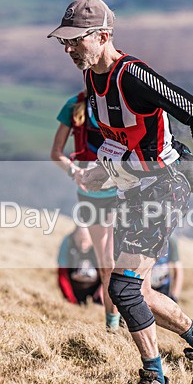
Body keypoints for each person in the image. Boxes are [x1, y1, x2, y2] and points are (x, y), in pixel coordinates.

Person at [48, 0, 193, 384]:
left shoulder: (132, 76)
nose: (67, 49)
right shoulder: (92, 75)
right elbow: (127, 142)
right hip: (135, 189)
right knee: (140, 290)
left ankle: (155, 377)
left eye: (75, 41)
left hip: (164, 188)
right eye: (64, 41)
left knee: (123, 288)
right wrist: (103, 170)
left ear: (102, 36)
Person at [51, 91, 121, 330]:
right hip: (92, 197)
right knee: (107, 265)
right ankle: (112, 325)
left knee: (120, 263)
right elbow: (56, 153)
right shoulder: (74, 105)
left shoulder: (121, 104)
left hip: (123, 193)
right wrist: (75, 172)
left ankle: (128, 319)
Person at [56, 226, 102, 306]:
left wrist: (101, 292)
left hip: (96, 290)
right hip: (75, 289)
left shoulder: (100, 245)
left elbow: (108, 274)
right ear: (74, 236)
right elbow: (62, 275)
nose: (83, 244)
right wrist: (71, 299)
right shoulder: (68, 242)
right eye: (80, 240)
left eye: (86, 240)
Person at [150, 234, 183, 302]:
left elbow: (178, 270)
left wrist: (174, 296)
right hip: (145, 289)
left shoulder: (170, 240)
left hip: (163, 289)